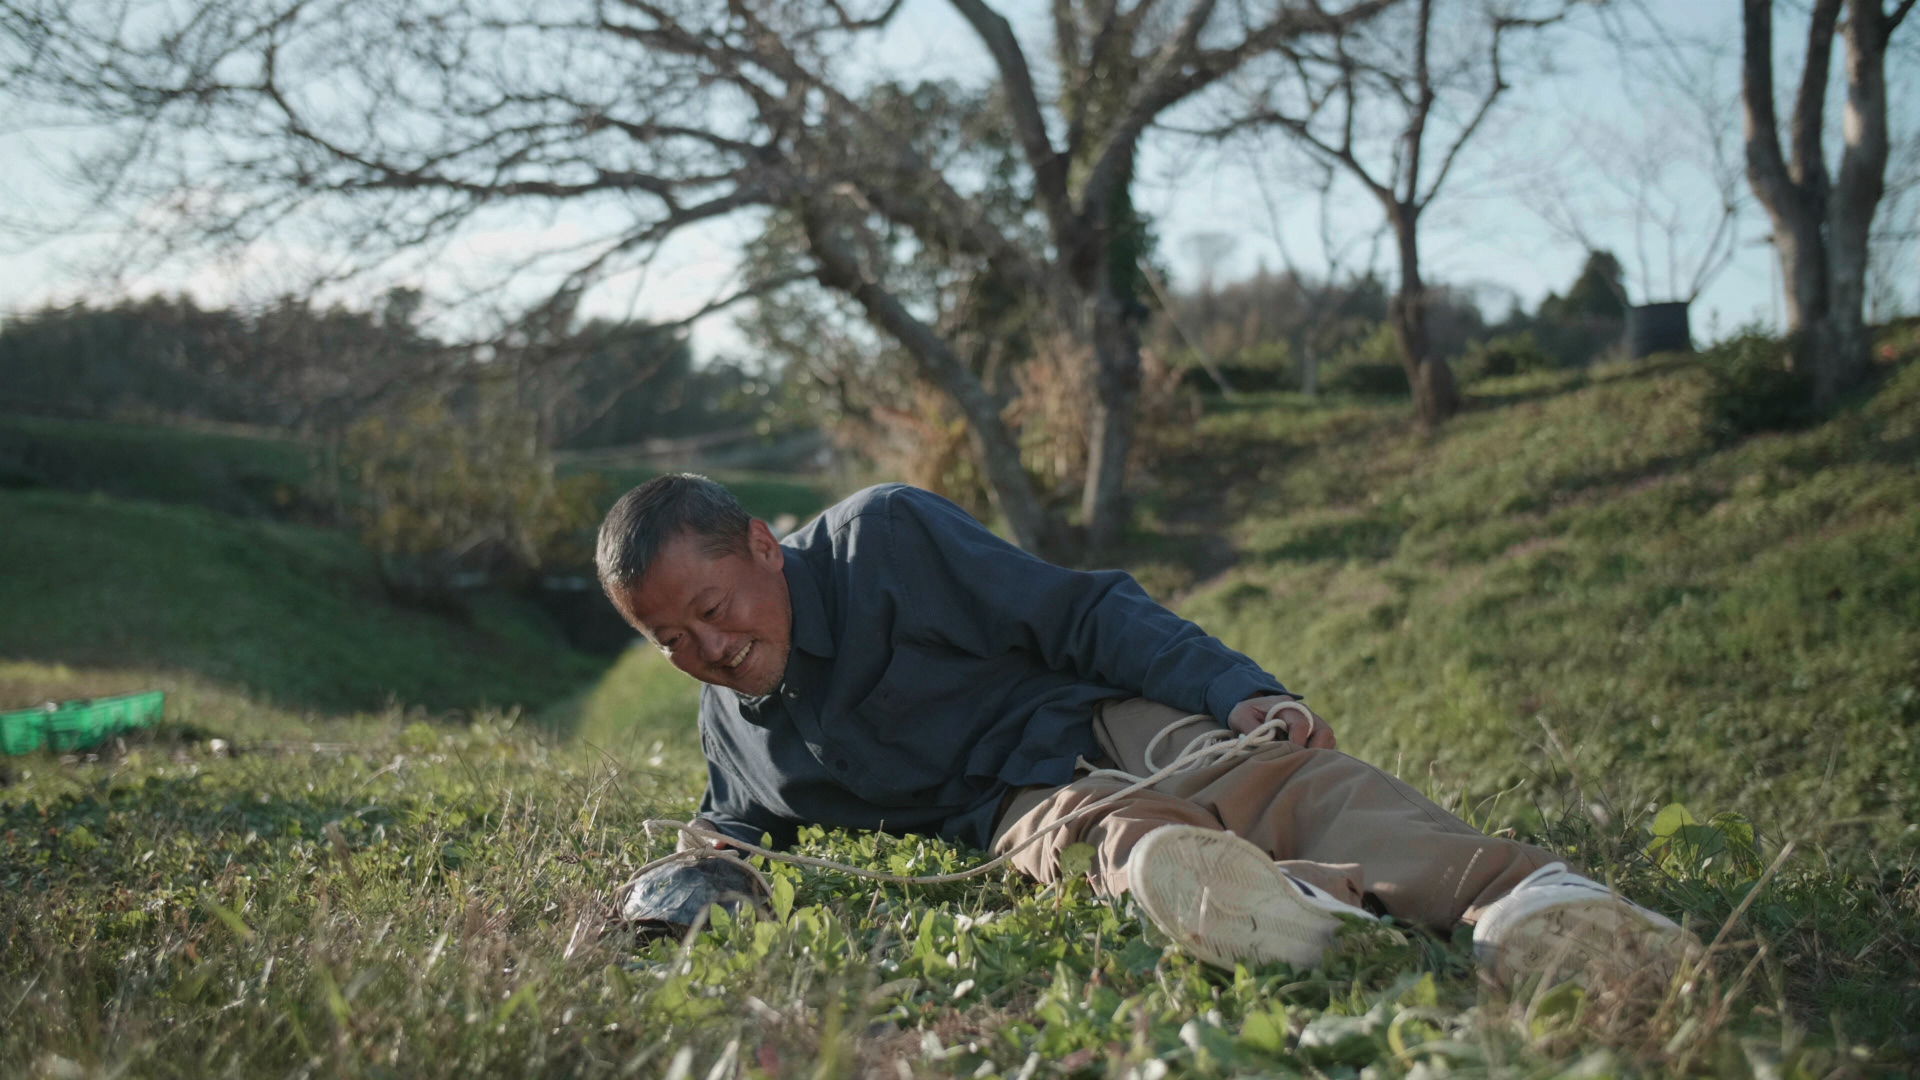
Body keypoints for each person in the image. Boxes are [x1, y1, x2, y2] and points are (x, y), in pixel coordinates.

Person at [596, 475, 1692, 986]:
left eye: (712, 606)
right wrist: (651, 911)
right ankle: (1285, 915)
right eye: (667, 638)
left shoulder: (887, 538)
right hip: (1017, 806)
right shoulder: (735, 734)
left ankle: (1538, 903)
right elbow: (724, 843)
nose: (706, 646)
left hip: (1096, 713)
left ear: (761, 543)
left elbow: (1083, 612)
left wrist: (1238, 691)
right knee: (1106, 839)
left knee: (1276, 780)